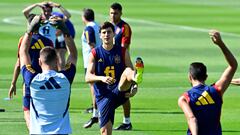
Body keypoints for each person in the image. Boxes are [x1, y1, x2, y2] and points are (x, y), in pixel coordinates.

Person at [20, 15, 77, 134]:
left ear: (40, 62)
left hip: (38, 132)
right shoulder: (65, 78)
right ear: (57, 60)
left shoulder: (32, 79)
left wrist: (30, 29)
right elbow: (73, 55)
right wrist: (65, 30)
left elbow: (23, 52)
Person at [85, 21, 144, 135]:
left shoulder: (122, 51)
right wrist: (102, 78)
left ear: (113, 34)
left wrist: (135, 86)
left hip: (119, 90)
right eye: (104, 32)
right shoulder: (95, 53)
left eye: (109, 32)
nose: (106, 35)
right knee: (106, 132)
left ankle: (137, 77)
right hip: (104, 96)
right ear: (100, 35)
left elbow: (130, 69)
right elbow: (88, 77)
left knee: (127, 71)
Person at [178, 30, 238, 135]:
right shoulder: (217, 90)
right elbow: (233, 65)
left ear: (190, 77)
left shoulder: (184, 98)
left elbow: (192, 119)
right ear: (206, 77)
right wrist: (220, 43)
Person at [8, 15, 54, 129]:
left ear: (29, 25)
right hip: (46, 81)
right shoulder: (48, 41)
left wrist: (13, 83)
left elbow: (19, 63)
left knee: (28, 112)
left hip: (29, 80)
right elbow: (54, 63)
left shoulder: (23, 41)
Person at [22, 1, 72, 70]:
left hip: (51, 47)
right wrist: (36, 4)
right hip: (39, 46)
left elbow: (68, 16)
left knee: (52, 67)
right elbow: (25, 12)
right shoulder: (38, 21)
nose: (46, 13)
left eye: (48, 11)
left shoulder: (54, 21)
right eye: (44, 11)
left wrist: (59, 6)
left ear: (51, 11)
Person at [109, 2, 133, 130]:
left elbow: (125, 47)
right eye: (111, 13)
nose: (113, 15)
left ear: (121, 13)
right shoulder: (108, 26)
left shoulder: (124, 27)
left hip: (121, 62)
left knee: (124, 93)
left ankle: (127, 122)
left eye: (116, 13)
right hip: (108, 62)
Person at [81, 8, 102, 129]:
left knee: (94, 89)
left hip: (91, 62)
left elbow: (92, 44)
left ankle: (96, 115)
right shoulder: (97, 26)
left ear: (84, 17)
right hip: (97, 61)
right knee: (96, 88)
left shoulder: (88, 28)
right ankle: (96, 114)